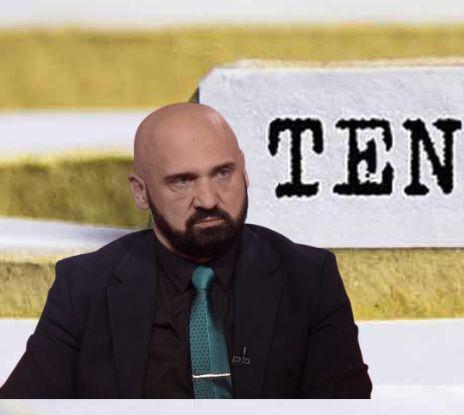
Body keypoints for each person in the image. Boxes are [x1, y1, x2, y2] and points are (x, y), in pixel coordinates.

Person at [0, 103, 372, 398]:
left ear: (244, 172)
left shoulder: (308, 279)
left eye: (223, 174)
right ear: (141, 192)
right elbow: (22, 407)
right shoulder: (84, 286)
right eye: (182, 181)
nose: (208, 199)